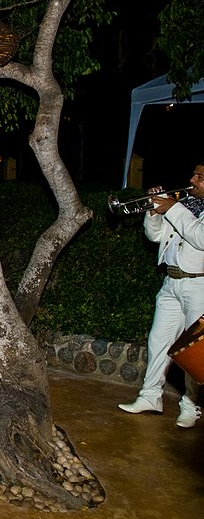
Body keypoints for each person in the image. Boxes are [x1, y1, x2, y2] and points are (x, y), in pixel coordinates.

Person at [119, 161, 204, 428]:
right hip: (171, 282)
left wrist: (173, 208)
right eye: (194, 174)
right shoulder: (185, 204)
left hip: (199, 285)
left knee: (191, 350)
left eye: (200, 176)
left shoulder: (181, 207)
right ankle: (150, 396)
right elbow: (155, 236)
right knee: (158, 342)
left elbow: (200, 238)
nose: (192, 179)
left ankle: (190, 405)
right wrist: (154, 212)